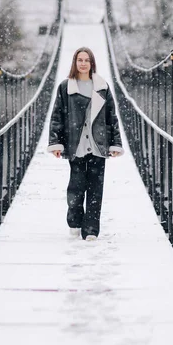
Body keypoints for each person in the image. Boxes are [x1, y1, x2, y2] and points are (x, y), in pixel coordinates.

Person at [47, 47, 124, 241]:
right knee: (76, 187)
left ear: (92, 63)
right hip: (76, 144)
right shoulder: (65, 87)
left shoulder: (102, 86)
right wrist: (56, 143)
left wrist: (115, 143)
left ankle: (90, 230)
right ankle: (74, 221)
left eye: (86, 60)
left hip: (98, 144)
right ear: (75, 62)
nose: (83, 63)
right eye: (80, 60)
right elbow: (57, 116)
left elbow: (111, 117)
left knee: (96, 189)